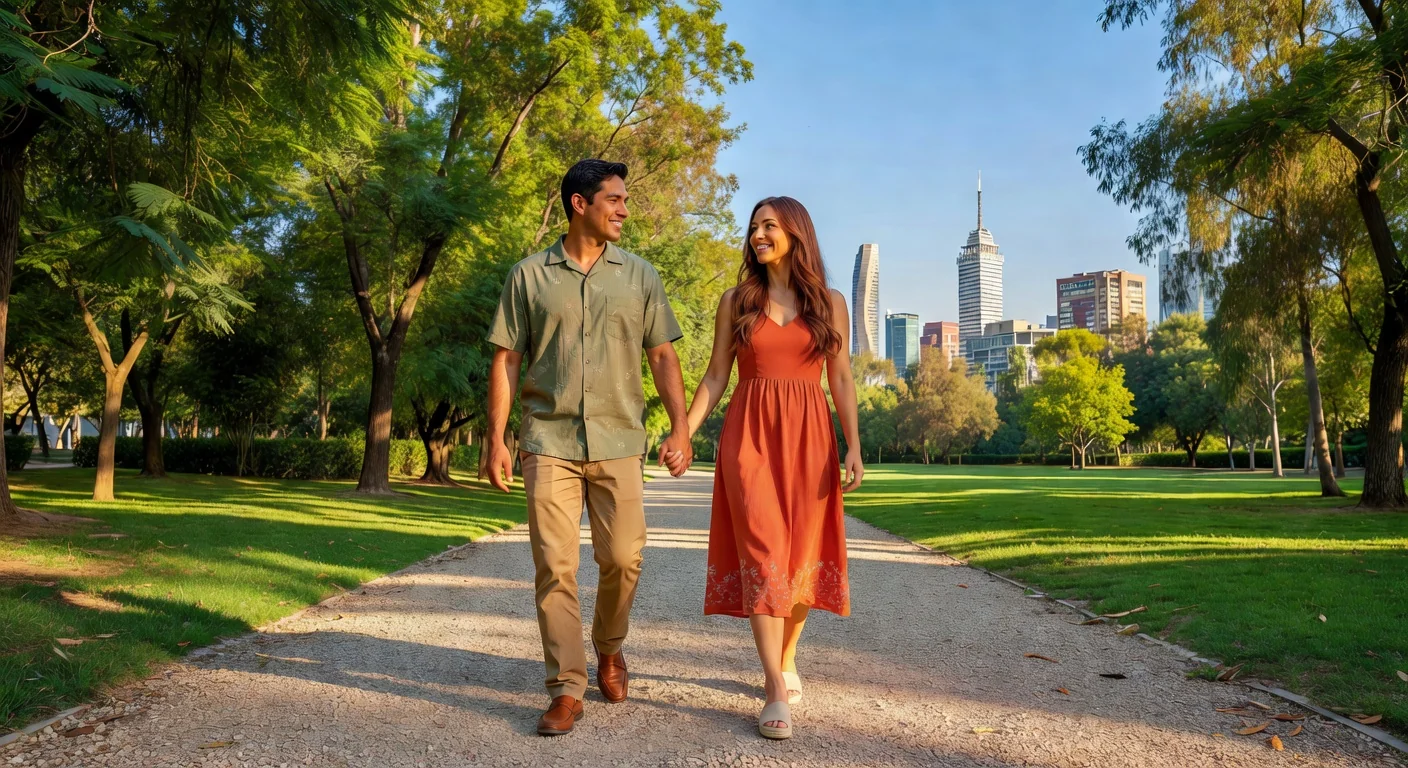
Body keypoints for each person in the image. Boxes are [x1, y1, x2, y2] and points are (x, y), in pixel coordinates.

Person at [485, 158, 693, 737]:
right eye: (615, 199)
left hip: (619, 437)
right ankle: (566, 687)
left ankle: (609, 645)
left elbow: (662, 356)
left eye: (625, 200)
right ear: (580, 204)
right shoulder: (528, 276)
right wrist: (497, 438)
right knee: (555, 566)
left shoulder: (641, 276)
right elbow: (506, 358)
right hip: (546, 437)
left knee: (624, 559)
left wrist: (680, 428)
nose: (625, 209)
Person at [684, 196, 863, 740]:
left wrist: (854, 446)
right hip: (750, 439)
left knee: (802, 559)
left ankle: (785, 657)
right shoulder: (736, 300)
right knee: (763, 553)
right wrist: (683, 431)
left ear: (795, 233)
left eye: (769, 226)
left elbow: (842, 381)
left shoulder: (830, 303)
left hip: (812, 440)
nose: (758, 234)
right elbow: (716, 375)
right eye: (754, 227)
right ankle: (774, 688)